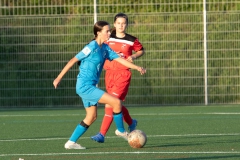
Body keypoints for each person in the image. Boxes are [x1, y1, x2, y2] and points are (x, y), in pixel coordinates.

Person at [53, 20, 146, 149]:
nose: (109, 33)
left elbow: (120, 60)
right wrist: (58, 78)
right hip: (85, 86)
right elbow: (73, 60)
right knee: (116, 102)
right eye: (107, 31)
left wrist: (136, 68)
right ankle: (120, 130)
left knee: (91, 117)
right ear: (98, 33)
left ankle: (71, 142)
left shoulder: (106, 48)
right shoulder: (91, 47)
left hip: (90, 86)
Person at [91, 13, 145, 143]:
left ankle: (101, 134)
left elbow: (141, 50)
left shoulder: (131, 39)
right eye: (118, 23)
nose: (121, 25)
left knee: (110, 103)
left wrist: (134, 57)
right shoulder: (108, 37)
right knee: (116, 103)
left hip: (123, 74)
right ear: (114, 24)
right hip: (109, 74)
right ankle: (131, 123)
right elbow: (96, 46)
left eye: (124, 23)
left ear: (127, 24)